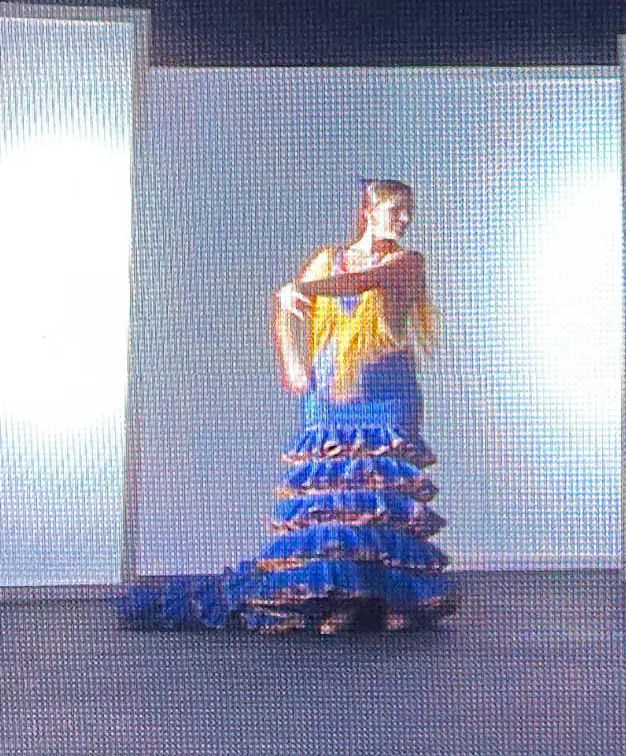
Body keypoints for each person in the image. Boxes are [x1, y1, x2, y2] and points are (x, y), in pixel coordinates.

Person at [121, 178, 458, 634]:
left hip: (387, 393)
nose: (404, 219)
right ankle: (342, 597)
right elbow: (288, 310)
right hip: (333, 396)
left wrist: (302, 287)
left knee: (380, 498)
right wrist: (295, 362)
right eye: (395, 209)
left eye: (408, 211)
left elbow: (364, 281)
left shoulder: (407, 262)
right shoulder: (328, 260)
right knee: (336, 503)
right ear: (369, 211)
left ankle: (388, 597)